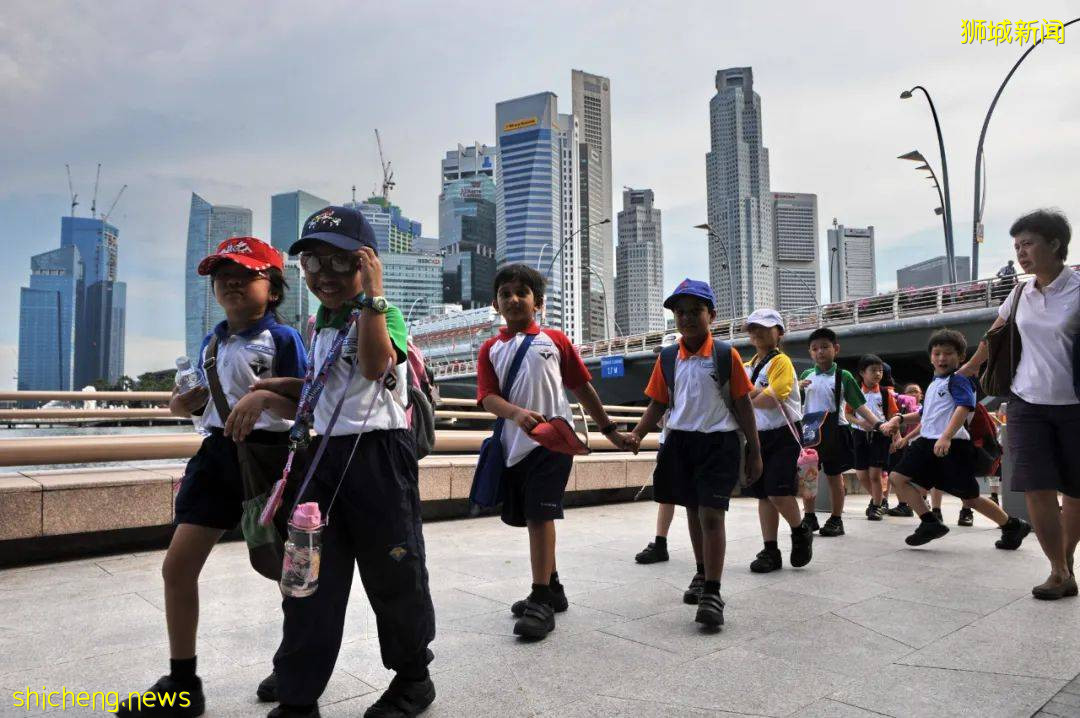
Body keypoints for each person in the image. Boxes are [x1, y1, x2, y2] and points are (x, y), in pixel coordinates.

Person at [117, 237, 306, 717]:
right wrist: (184, 403)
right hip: (216, 457)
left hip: (268, 459)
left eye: (245, 274)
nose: (231, 282)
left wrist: (264, 398)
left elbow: (308, 405)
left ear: (274, 287)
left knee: (286, 572)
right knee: (177, 566)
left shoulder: (283, 339)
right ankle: (183, 683)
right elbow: (195, 398)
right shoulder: (212, 340)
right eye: (223, 275)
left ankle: (296, 662)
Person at [271, 206, 437, 718]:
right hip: (320, 458)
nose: (323, 275)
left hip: (378, 458)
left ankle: (413, 680)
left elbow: (371, 365)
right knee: (307, 578)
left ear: (365, 264)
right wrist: (269, 393)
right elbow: (321, 393)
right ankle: (298, 692)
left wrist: (371, 297)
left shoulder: (383, 314)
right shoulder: (318, 323)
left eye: (339, 263)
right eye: (312, 263)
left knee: (395, 575)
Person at [477, 264, 635, 640]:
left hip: (553, 443)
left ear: (539, 302)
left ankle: (540, 599)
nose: (513, 299)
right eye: (505, 294)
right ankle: (554, 587)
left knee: (539, 516)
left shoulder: (555, 340)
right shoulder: (490, 348)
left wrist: (609, 430)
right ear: (496, 304)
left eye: (522, 293)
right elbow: (487, 397)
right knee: (530, 517)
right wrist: (515, 413)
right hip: (513, 446)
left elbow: (582, 389)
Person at [628, 279, 762, 628]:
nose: (687, 318)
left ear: (711, 315)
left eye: (695, 311)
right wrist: (638, 433)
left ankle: (713, 593)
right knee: (691, 511)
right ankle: (702, 573)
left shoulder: (724, 354)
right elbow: (658, 402)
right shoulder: (669, 357)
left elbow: (743, 404)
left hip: (719, 444)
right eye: (680, 312)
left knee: (712, 515)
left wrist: (754, 452)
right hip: (680, 443)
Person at [961, 209, 1080, 600]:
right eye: (1016, 246)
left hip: (1074, 405)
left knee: (1075, 491)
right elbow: (993, 337)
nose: (1021, 253)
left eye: (1028, 243)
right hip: (1026, 402)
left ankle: (1067, 561)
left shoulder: (1077, 290)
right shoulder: (1019, 294)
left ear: (1055, 244)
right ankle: (1057, 570)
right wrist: (968, 368)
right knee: (1036, 487)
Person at [890, 329, 1032, 551]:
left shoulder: (959, 380)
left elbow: (964, 407)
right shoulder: (935, 382)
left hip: (952, 445)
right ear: (930, 357)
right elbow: (924, 415)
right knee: (898, 478)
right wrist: (899, 420)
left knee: (970, 498)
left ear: (961, 358)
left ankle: (1012, 525)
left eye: (948, 353)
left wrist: (946, 436)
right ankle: (929, 523)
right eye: (937, 353)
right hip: (927, 443)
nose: (942, 358)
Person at [798, 328, 896, 537]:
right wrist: (795, 387)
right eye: (814, 349)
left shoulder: (844, 376)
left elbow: (859, 405)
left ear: (836, 349)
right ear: (810, 352)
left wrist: (878, 425)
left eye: (825, 347)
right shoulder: (806, 375)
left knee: (835, 477)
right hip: (810, 433)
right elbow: (794, 403)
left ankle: (836, 519)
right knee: (808, 477)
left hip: (836, 432)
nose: (820, 352)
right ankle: (809, 516)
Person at [741, 308, 814, 573]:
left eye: (764, 327)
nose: (757, 332)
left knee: (777, 491)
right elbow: (739, 397)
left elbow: (774, 398)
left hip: (784, 434)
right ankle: (770, 550)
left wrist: (751, 396)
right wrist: (755, 394)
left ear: (779, 332)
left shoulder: (781, 361)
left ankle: (799, 532)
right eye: (753, 328)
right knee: (762, 495)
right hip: (757, 435)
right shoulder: (747, 367)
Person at [847, 355, 901, 521]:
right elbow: (847, 414)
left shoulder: (886, 393)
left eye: (880, 370)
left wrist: (895, 438)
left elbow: (894, 416)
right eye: (873, 370)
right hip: (859, 435)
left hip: (880, 436)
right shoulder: (855, 391)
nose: (878, 374)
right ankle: (881, 500)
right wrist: (860, 423)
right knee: (861, 474)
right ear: (863, 372)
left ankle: (876, 505)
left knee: (875, 474)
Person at [886, 384, 922, 517]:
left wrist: (905, 439)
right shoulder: (900, 408)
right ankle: (903, 505)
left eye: (916, 391)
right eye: (909, 391)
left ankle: (919, 502)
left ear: (921, 395)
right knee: (894, 473)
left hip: (917, 445)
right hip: (900, 445)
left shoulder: (922, 409)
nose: (913, 394)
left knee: (913, 476)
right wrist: (895, 440)